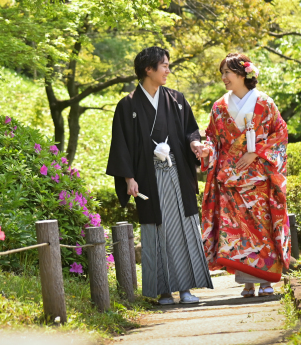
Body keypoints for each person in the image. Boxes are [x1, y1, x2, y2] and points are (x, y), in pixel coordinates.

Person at [106, 46, 213, 304]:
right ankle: (164, 290)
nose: (168, 70)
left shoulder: (176, 99)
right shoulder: (128, 105)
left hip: (175, 173)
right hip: (148, 177)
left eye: (167, 65)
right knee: (157, 232)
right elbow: (121, 145)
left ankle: (186, 288)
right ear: (148, 69)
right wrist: (128, 178)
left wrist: (194, 144)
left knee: (183, 229)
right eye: (164, 65)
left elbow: (191, 130)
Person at [196, 53, 290, 298]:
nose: (224, 78)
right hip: (230, 178)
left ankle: (266, 281)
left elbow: (279, 133)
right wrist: (207, 149)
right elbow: (212, 137)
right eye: (223, 73)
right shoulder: (219, 107)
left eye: (228, 72)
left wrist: (256, 152)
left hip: (258, 178)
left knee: (261, 227)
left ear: (242, 74)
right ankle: (247, 283)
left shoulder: (265, 103)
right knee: (236, 230)